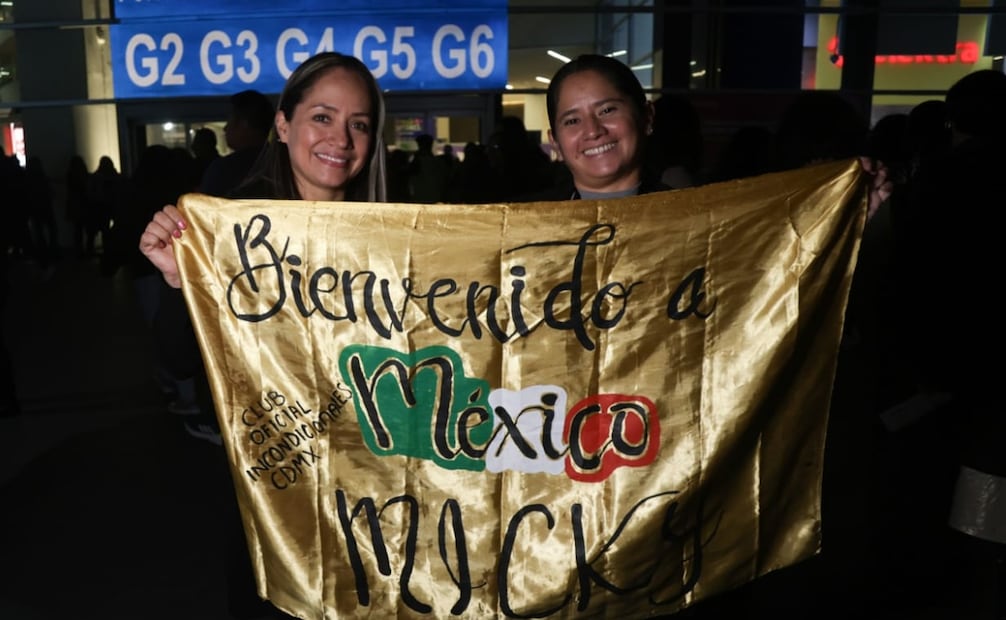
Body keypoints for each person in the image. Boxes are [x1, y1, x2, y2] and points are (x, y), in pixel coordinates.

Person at [139, 51, 387, 620]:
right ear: (283, 124)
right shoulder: (231, 234)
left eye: (359, 123)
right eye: (322, 117)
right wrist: (183, 283)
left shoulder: (399, 240)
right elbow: (178, 361)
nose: (341, 139)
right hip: (273, 509)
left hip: (379, 506)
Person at [199, 89, 275, 197]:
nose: (225, 128)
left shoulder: (223, 170)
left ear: (244, 124)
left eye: (230, 121)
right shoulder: (283, 164)